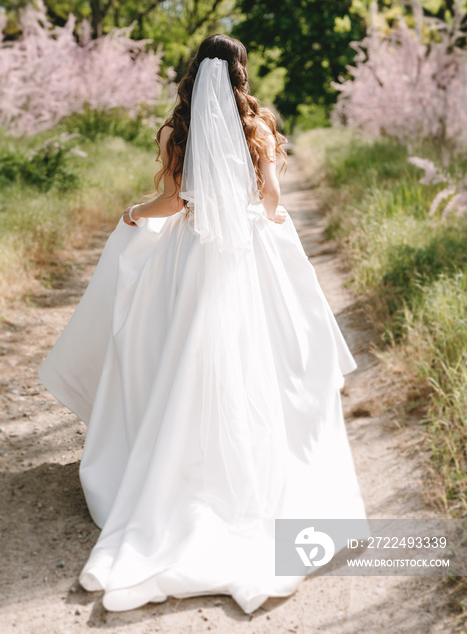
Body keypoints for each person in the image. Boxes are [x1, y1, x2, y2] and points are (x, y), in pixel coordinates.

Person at [38, 34, 369, 615]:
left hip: (191, 258)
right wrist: (257, 215)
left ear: (194, 72)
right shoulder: (258, 127)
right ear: (240, 72)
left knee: (176, 358)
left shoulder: (176, 131)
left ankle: (173, 466)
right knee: (259, 360)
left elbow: (172, 204)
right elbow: (269, 202)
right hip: (248, 256)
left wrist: (132, 214)